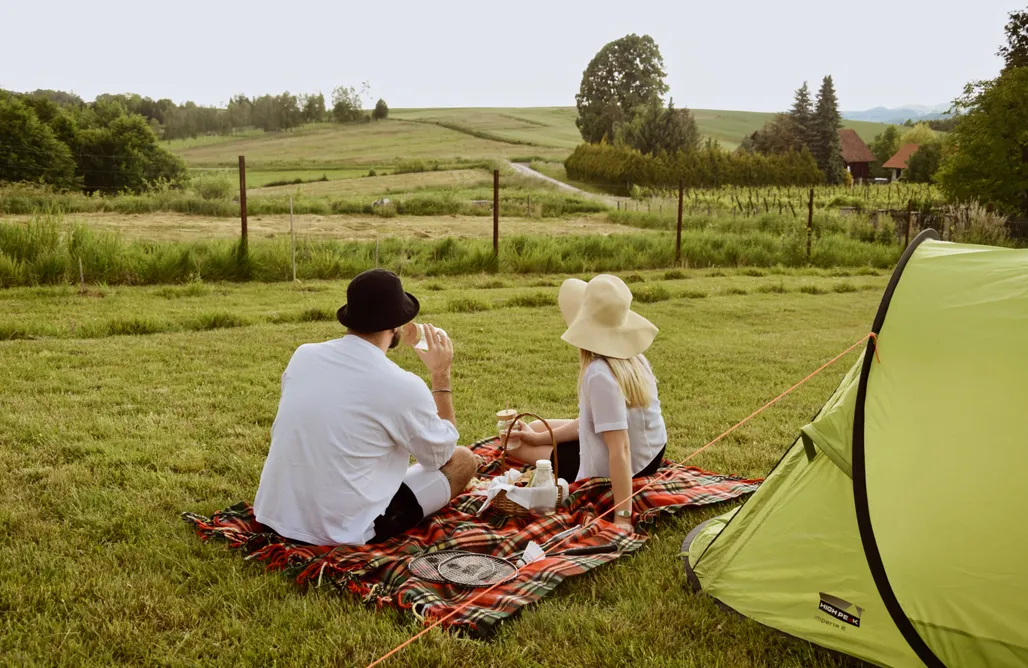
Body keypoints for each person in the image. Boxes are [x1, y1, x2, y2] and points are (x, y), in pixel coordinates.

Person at [253, 268, 477, 546]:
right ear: (395, 325)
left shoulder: (304, 355)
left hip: (274, 516)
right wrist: (441, 375)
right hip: (339, 532)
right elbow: (441, 456)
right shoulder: (401, 384)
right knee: (464, 460)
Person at [508, 274, 667, 531]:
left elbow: (620, 449)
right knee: (535, 429)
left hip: (629, 462)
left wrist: (623, 516)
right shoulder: (633, 356)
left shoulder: (600, 374)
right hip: (651, 450)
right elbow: (594, 422)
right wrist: (540, 439)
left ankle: (544, 450)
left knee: (512, 446)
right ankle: (539, 438)